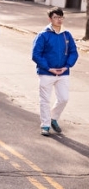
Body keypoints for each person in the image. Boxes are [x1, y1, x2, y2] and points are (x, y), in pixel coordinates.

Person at [32, 7, 78, 136]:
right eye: (56, 17)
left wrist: (67, 66)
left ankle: (53, 118)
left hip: (63, 72)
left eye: (61, 17)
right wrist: (48, 68)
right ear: (50, 19)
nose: (59, 20)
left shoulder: (67, 34)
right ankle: (45, 125)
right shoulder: (43, 35)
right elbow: (36, 54)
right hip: (46, 73)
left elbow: (73, 53)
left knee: (64, 98)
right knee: (45, 100)